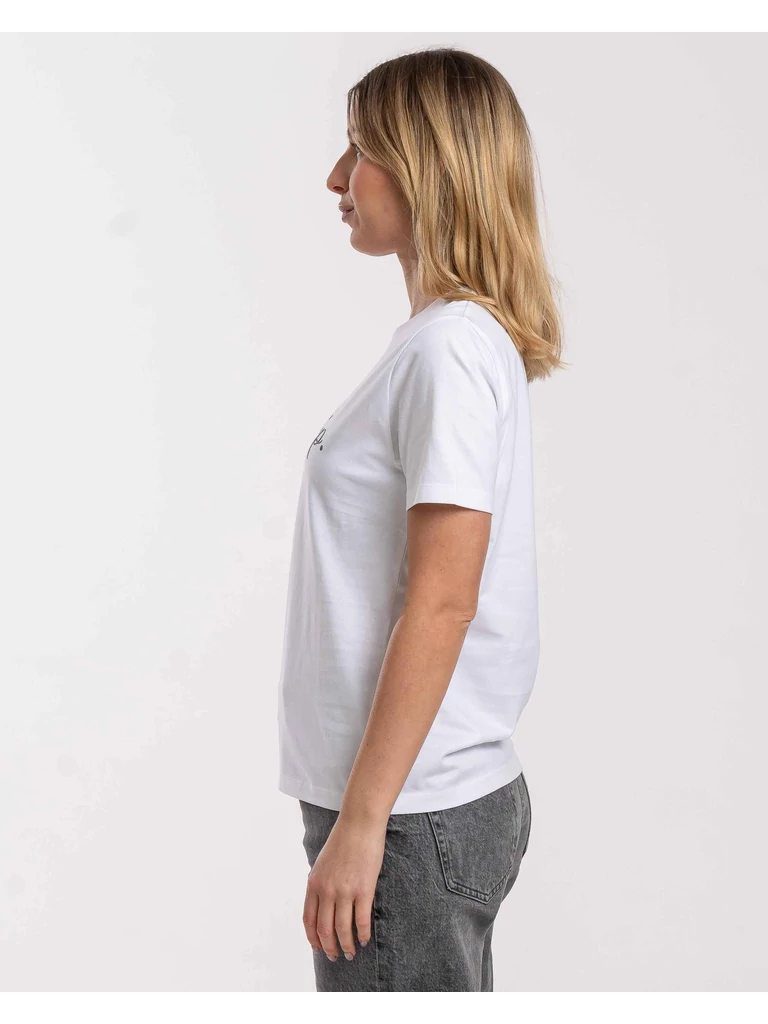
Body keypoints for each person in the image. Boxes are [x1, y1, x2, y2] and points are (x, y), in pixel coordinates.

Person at [276, 46, 565, 992]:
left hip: (407, 813)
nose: (336, 177)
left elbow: (443, 600)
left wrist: (364, 824)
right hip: (413, 804)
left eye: (360, 149)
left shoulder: (448, 351)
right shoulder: (451, 344)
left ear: (427, 167)